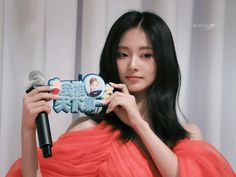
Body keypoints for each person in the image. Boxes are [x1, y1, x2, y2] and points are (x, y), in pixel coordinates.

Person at [6, 10, 235, 177]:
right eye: (123, 54)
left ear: (163, 60)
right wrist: (27, 130)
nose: (132, 65)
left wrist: (139, 124)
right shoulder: (88, 129)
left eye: (146, 55)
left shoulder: (187, 136)